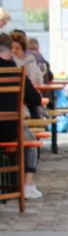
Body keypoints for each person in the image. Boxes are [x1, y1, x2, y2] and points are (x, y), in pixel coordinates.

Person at [0, 33, 44, 199]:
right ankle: (27, 186)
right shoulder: (18, 73)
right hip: (11, 130)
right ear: (10, 50)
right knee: (30, 139)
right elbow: (36, 99)